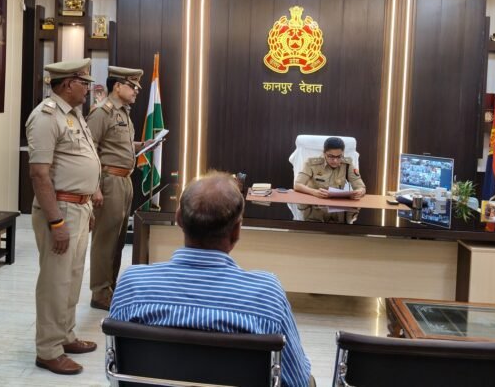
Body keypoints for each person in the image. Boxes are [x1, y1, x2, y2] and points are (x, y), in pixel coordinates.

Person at [110, 172, 314, 387]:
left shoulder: (132, 285)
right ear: (237, 231)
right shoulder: (267, 294)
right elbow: (298, 381)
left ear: (178, 219)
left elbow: (116, 371)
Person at [25, 58, 102, 375]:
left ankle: (65, 335)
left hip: (79, 207)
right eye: (84, 83)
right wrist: (56, 221)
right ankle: (48, 350)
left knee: (71, 279)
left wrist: (90, 197)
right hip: (60, 209)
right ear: (68, 84)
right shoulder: (46, 117)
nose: (88, 89)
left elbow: (83, 158)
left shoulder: (73, 114)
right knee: (55, 282)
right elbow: (39, 174)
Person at [86, 65, 153, 310]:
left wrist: (142, 145)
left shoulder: (122, 112)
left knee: (117, 240)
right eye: (132, 86)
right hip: (109, 181)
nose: (136, 91)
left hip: (124, 181)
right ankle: (99, 293)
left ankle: (110, 288)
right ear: (117, 86)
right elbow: (89, 150)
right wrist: (94, 187)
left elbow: (118, 145)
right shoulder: (101, 112)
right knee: (105, 240)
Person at [294, 137, 366, 199]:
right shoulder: (311, 163)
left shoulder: (347, 164)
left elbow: (361, 187)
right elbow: (297, 185)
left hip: (337, 204)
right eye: (331, 156)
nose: (335, 160)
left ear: (343, 153)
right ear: (324, 153)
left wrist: (359, 192)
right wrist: (314, 192)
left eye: (339, 156)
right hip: (315, 203)